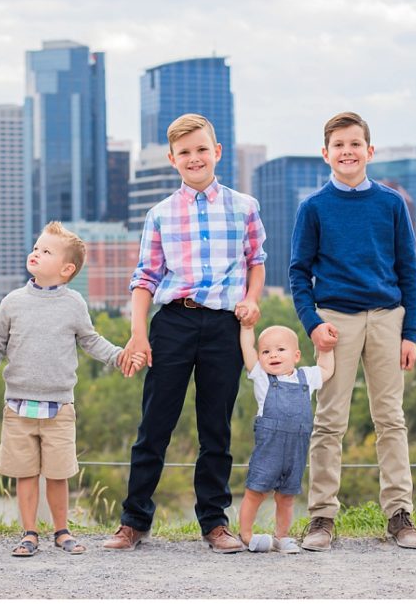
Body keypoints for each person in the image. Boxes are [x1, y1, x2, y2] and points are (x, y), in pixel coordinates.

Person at [104, 113, 266, 554]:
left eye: (201, 150)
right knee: (155, 424)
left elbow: (257, 260)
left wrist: (252, 299)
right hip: (173, 321)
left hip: (223, 324)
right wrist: (139, 336)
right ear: (173, 160)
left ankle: (214, 522)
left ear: (216, 152)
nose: (194, 158)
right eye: (185, 153)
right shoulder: (159, 215)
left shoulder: (244, 207)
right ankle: (134, 521)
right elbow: (144, 278)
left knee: (216, 427)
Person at [289, 111, 416, 551]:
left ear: (370, 151)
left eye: (355, 144)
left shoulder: (390, 204)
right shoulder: (313, 208)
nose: (347, 152)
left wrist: (411, 333)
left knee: (391, 419)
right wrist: (313, 325)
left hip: (387, 319)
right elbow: (297, 274)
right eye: (338, 145)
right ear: (325, 154)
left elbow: (410, 271)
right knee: (329, 421)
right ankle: (322, 518)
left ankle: (400, 515)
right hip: (336, 321)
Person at [0, 221, 143, 557]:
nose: (35, 253)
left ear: (66, 269)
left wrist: (119, 356)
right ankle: (29, 533)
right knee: (25, 474)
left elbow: (90, 340)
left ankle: (61, 530)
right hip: (17, 406)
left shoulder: (73, 303)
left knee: (58, 474)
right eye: (35, 247)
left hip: (59, 407)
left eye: (45, 251)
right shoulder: (12, 302)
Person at [236, 324, 334, 554]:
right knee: (255, 491)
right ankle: (246, 534)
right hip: (269, 448)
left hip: (296, 451)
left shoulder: (306, 377)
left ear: (297, 355)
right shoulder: (261, 376)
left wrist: (326, 347)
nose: (273, 355)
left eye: (281, 349)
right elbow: (247, 348)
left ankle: (282, 536)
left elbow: (326, 369)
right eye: (266, 352)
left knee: (287, 496)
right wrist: (247, 327)